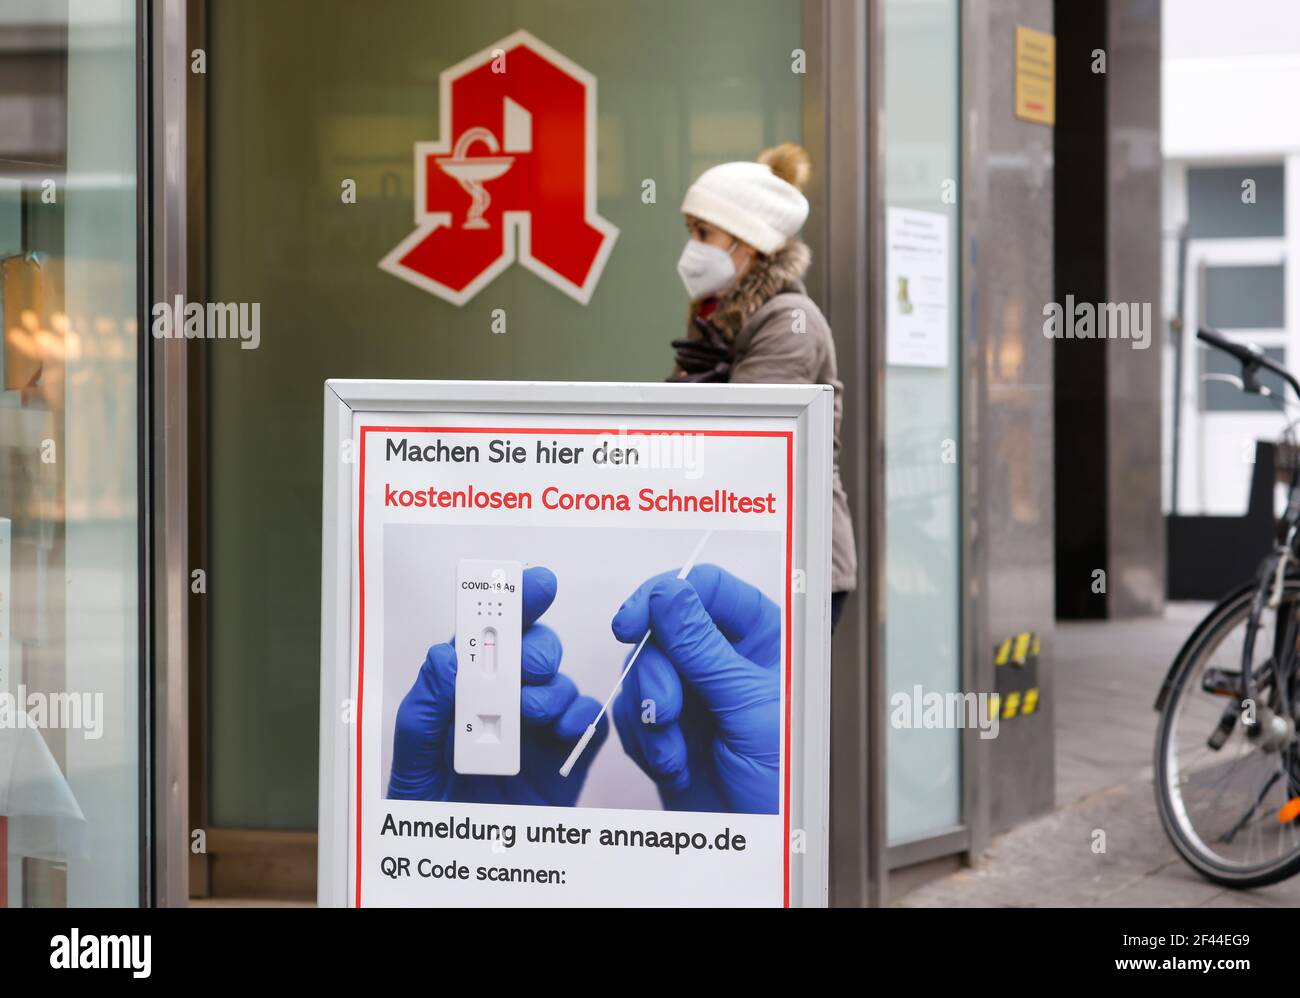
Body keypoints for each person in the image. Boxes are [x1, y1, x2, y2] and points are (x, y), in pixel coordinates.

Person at [669, 143, 857, 630]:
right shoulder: (719, 318)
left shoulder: (790, 323)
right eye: (690, 231)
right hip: (753, 554)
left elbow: (745, 444)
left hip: (800, 561)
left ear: (747, 243)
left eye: (704, 232)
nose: (692, 246)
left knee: (776, 705)